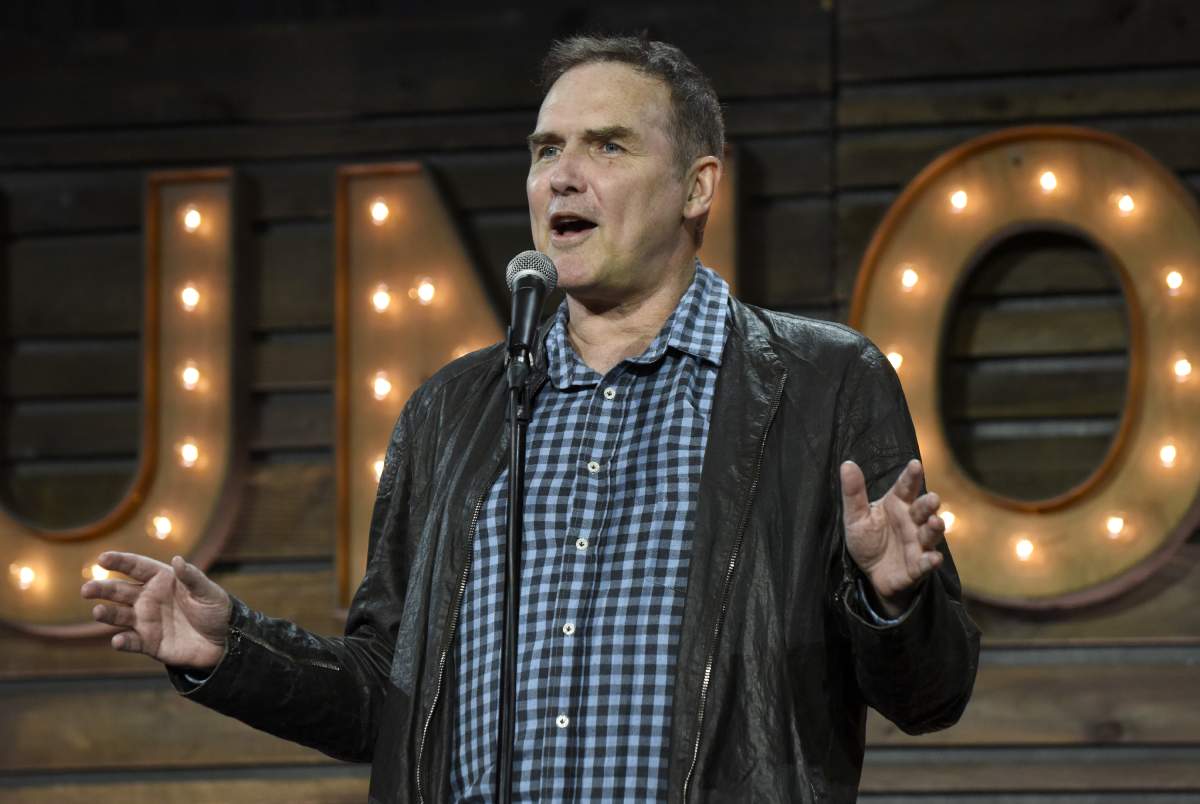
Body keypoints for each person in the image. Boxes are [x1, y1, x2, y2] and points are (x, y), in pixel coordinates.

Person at [81, 35, 980, 803]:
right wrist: (228, 648)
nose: (562, 176)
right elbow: (388, 699)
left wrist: (892, 600)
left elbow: (932, 696)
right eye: (546, 149)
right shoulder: (455, 412)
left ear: (697, 188)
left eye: (607, 146)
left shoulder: (819, 384)